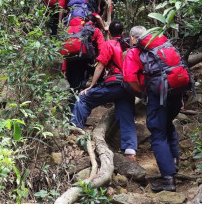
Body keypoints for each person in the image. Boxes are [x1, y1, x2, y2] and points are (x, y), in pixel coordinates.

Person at [123, 26, 182, 191]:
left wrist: (142, 92)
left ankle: (168, 179)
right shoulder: (163, 45)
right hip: (176, 91)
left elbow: (129, 78)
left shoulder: (134, 52)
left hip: (158, 94)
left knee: (157, 133)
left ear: (134, 38)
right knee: (167, 123)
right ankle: (174, 161)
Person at [70, 20, 138, 162]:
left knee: (83, 99)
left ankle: (74, 132)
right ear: (124, 33)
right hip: (129, 86)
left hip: (115, 84)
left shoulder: (109, 44)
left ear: (109, 33)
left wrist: (91, 86)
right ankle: (130, 152)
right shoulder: (129, 45)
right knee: (126, 117)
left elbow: (100, 66)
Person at [60, 16, 106, 112]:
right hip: (88, 60)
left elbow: (64, 50)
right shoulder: (93, 30)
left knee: (74, 88)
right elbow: (102, 49)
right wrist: (104, 66)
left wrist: (64, 68)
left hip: (70, 62)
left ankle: (70, 115)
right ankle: (97, 106)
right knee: (100, 80)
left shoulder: (66, 31)